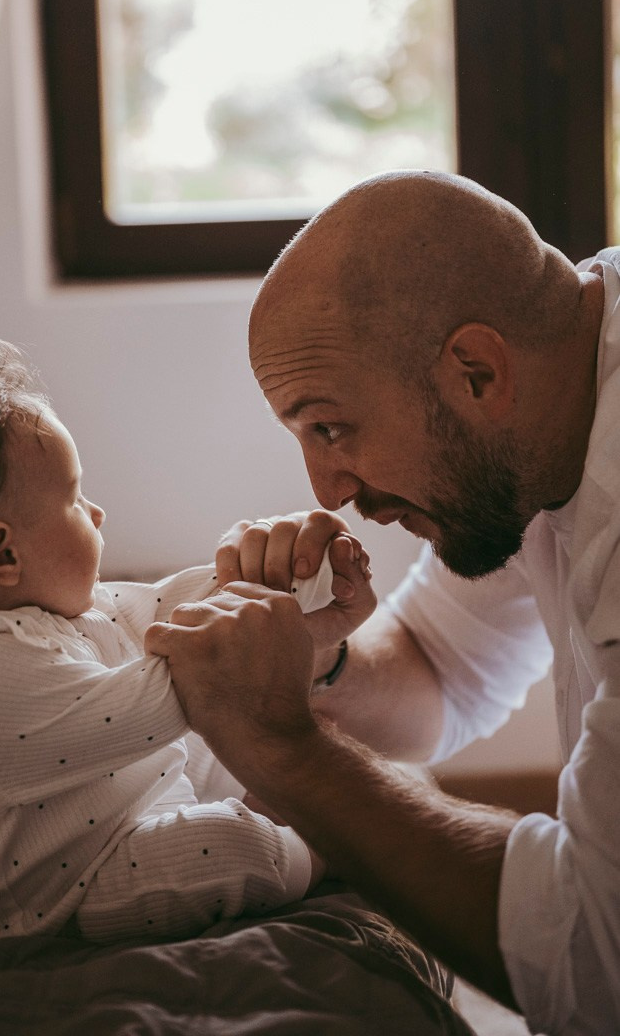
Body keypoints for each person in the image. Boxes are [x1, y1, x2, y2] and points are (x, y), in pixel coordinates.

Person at [146, 170, 620, 1036]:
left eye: (329, 427)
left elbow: (597, 963)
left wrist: (284, 751)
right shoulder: (554, 404)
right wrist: (316, 662)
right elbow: (444, 672)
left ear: (477, 372)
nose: (325, 489)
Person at [0, 339, 377, 945]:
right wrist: (245, 640)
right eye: (74, 497)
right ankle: (316, 849)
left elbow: (160, 613)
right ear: (3, 553)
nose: (98, 512)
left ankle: (285, 813)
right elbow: (137, 706)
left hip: (122, 812)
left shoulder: (46, 612)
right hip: (65, 892)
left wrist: (280, 586)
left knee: (236, 743)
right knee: (230, 846)